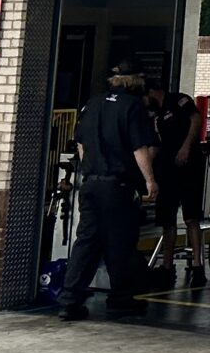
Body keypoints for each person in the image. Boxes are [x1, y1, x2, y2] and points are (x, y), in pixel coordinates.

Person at [59, 67, 159, 320]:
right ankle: (121, 299)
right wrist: (150, 181)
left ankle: (70, 299)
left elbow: (80, 144)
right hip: (118, 186)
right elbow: (139, 148)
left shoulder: (92, 104)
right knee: (120, 243)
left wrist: (88, 170)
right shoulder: (132, 107)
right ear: (134, 81)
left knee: (86, 242)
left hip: (91, 183)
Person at [145, 89, 200, 273]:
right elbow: (155, 146)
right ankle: (167, 265)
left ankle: (198, 264)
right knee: (167, 219)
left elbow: (196, 119)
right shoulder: (154, 115)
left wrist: (186, 146)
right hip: (166, 168)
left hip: (189, 165)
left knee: (191, 216)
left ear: (152, 92)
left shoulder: (179, 100)